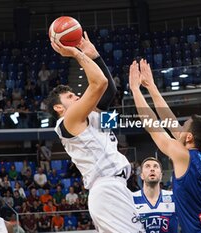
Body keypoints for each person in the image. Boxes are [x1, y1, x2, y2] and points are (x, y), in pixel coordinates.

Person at [46, 32, 144, 232]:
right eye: (71, 96)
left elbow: (109, 92)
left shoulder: (89, 116)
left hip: (117, 185)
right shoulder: (68, 121)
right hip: (107, 186)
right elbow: (99, 83)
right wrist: (76, 53)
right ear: (58, 108)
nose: (77, 97)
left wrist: (95, 56)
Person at [129, 59, 201, 232]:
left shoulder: (184, 156)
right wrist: (151, 87)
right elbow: (171, 122)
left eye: (184, 127)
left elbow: (153, 126)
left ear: (188, 137)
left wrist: (135, 90)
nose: (178, 128)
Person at [133, 157, 178, 233]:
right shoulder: (131, 198)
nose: (152, 169)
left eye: (155, 166)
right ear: (142, 176)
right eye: (147, 166)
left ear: (161, 175)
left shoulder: (174, 197)